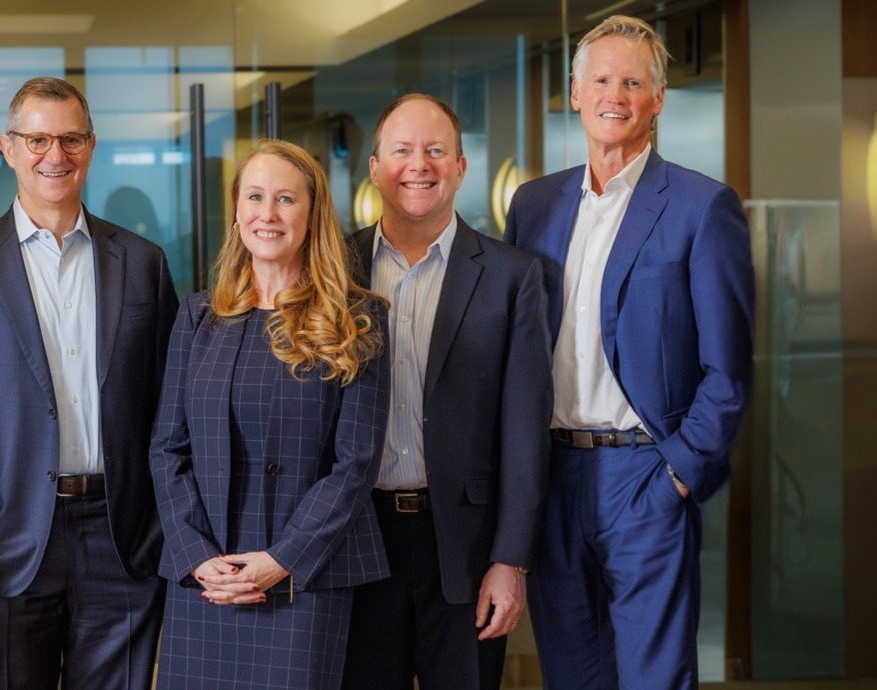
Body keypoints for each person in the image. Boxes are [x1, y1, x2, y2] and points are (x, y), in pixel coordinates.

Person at [504, 15, 755, 690]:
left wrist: (678, 472)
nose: (616, 94)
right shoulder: (533, 206)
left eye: (633, 81)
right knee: (573, 673)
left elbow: (729, 370)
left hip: (644, 475)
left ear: (659, 98)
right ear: (576, 93)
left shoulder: (703, 207)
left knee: (652, 677)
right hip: (552, 477)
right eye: (602, 80)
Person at [0, 77, 178, 690]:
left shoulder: (143, 263)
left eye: (70, 139)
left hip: (123, 536)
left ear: (91, 146)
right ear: (7, 148)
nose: (54, 155)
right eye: (37, 139)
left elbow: (172, 410)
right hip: (7, 536)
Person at [150, 139, 390, 690]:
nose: (268, 213)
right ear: (236, 211)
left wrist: (283, 559)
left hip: (305, 578)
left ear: (312, 213)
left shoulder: (358, 317)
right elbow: (167, 448)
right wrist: (195, 555)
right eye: (255, 196)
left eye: (286, 199)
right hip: (206, 579)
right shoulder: (199, 315)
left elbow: (356, 463)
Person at [338, 94, 552, 690]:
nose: (420, 164)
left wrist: (510, 560)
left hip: (466, 547)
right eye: (402, 150)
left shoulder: (513, 277)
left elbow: (526, 432)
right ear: (375, 168)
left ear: (460, 167)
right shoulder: (331, 269)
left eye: (436, 151)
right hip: (355, 540)